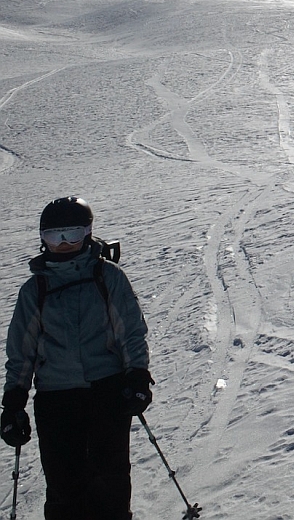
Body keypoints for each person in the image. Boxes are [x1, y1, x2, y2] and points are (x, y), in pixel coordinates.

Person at [3, 197, 152, 520]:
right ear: (43, 239)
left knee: (109, 475)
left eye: (72, 234)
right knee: (63, 481)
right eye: (54, 237)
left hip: (107, 390)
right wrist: (13, 401)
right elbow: (22, 350)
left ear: (88, 233)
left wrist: (137, 375)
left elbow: (130, 330)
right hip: (57, 397)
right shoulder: (35, 289)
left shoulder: (108, 276)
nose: (64, 244)